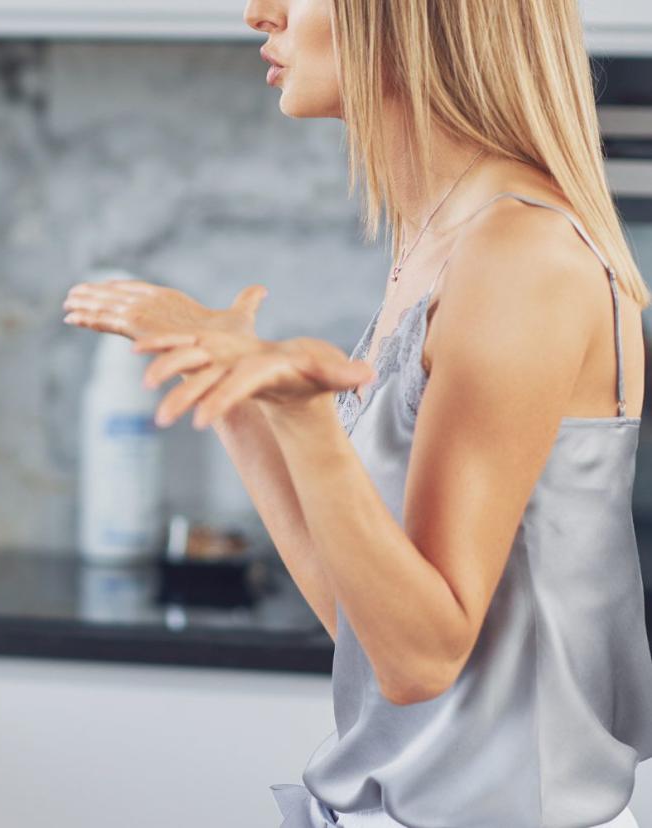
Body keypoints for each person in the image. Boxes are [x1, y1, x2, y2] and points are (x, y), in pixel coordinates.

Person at [64, 0, 652, 826]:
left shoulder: (521, 254)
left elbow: (423, 657)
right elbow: (365, 620)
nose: (256, 13)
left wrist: (307, 425)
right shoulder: (444, 238)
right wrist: (236, 393)